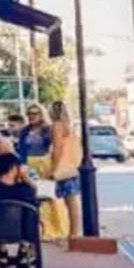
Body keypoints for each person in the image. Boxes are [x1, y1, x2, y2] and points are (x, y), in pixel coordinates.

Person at [48, 100, 85, 238]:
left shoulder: (57, 126)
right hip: (71, 167)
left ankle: (74, 234)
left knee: (69, 202)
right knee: (71, 201)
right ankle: (74, 232)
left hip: (63, 168)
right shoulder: (69, 126)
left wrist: (54, 167)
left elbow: (57, 149)